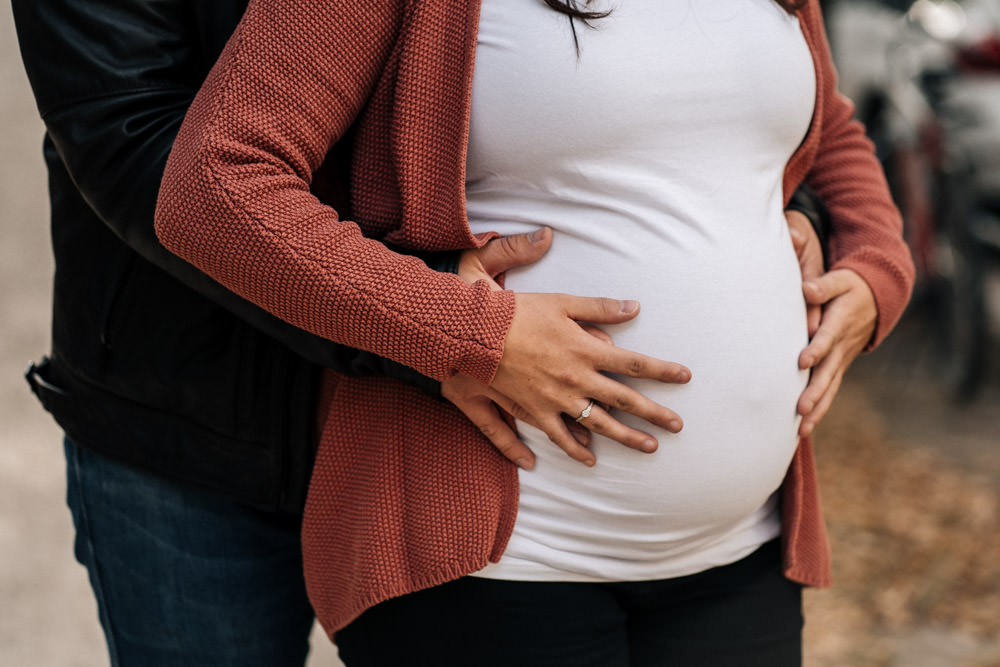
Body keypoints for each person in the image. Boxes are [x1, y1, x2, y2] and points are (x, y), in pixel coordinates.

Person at [11, 1, 840, 666]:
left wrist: (801, 236)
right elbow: (137, 139)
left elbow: (753, 124)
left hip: (707, 541)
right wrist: (445, 321)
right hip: (199, 414)